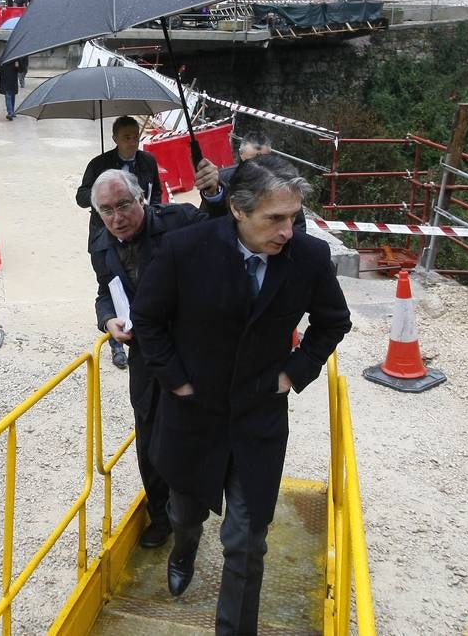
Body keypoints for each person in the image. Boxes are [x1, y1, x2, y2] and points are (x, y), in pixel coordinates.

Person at [133, 159, 352, 634]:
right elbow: (147, 320)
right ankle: (184, 549)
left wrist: (293, 374)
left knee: (247, 541)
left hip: (258, 419)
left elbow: (334, 321)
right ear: (236, 209)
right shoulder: (183, 249)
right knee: (185, 512)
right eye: (274, 219)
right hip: (193, 413)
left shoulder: (308, 259)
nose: (287, 231)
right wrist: (176, 381)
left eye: (293, 216)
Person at [89, 165, 227, 551]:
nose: (117, 218)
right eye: (106, 210)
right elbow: (104, 292)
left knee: (197, 432)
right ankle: (162, 516)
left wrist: (214, 193)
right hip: (146, 355)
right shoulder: (101, 244)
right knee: (150, 438)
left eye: (123, 205)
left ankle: (194, 516)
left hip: (194, 349)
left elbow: (222, 230)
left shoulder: (179, 220)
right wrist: (107, 321)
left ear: (142, 198)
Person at [76, 116, 164, 369]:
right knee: (112, 284)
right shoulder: (99, 164)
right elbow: (82, 197)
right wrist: (104, 193)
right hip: (105, 237)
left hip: (143, 235)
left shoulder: (147, 161)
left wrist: (152, 210)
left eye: (136, 136)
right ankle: (117, 341)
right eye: (126, 137)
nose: (133, 142)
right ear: (115, 138)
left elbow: (155, 190)